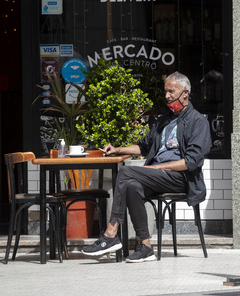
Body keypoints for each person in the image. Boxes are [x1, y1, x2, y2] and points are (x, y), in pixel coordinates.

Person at [82, 71, 212, 263]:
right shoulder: (164, 120)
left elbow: (191, 162)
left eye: (171, 91)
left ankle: (110, 234)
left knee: (125, 171)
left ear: (185, 93)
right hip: (159, 176)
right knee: (132, 186)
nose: (167, 95)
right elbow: (143, 146)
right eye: (165, 91)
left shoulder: (198, 121)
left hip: (181, 179)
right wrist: (117, 148)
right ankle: (146, 247)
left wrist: (158, 169)